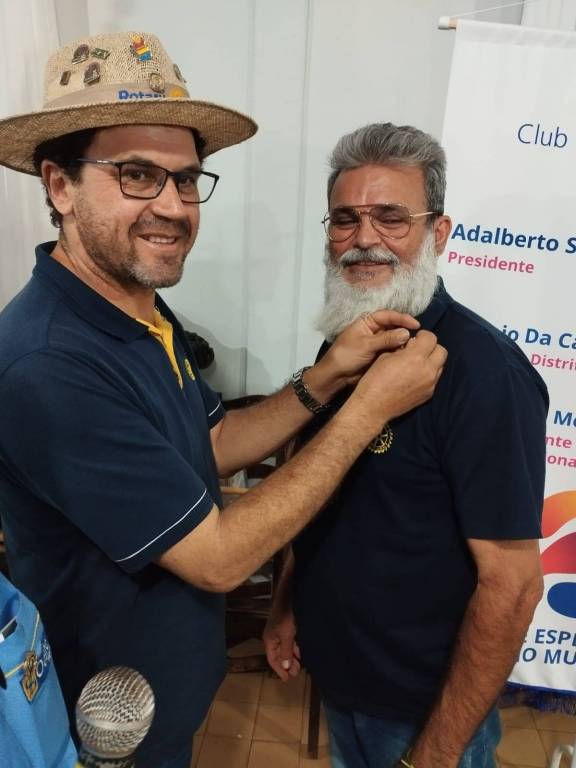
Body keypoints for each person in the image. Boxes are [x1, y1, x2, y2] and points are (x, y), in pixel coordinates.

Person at [0, 36, 446, 768]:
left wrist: (329, 376)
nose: (173, 207)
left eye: (186, 180)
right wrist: (367, 409)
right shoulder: (47, 364)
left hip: (169, 688)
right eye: (137, 175)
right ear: (60, 186)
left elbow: (212, 442)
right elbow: (219, 559)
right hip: (105, 720)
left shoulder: (139, 307)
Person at [263, 122, 549, 768]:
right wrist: (287, 603)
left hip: (427, 713)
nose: (363, 238)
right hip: (339, 679)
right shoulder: (341, 348)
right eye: (345, 219)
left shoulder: (485, 375)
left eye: (391, 217)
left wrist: (435, 756)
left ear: (437, 233)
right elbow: (322, 496)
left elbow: (512, 587)